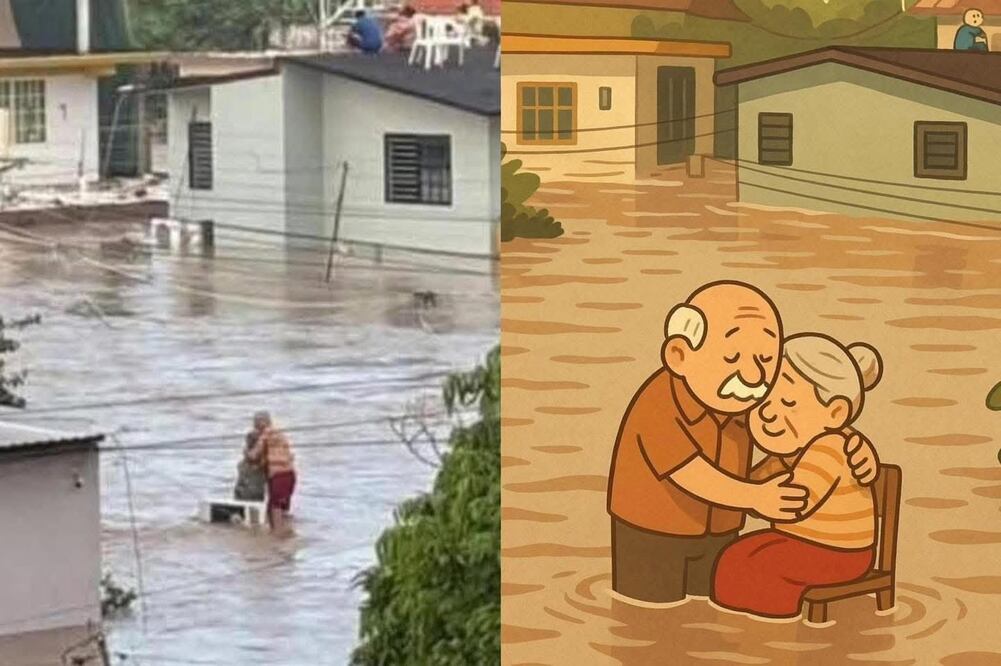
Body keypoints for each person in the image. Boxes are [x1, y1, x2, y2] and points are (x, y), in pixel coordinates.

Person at [606, 281, 880, 604]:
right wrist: (755, 496)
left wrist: (855, 446)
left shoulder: (747, 403)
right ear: (679, 355)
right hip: (654, 534)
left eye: (765, 359)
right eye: (733, 356)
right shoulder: (659, 404)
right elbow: (690, 473)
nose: (753, 376)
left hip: (719, 532)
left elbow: (802, 441)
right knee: (650, 616)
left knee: (715, 602)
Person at [712, 334, 882, 618]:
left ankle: (778, 624)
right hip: (800, 543)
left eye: (788, 401)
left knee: (759, 565)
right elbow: (757, 481)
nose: (768, 412)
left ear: (835, 412)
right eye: (767, 398)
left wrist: (759, 497)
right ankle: (746, 621)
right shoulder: (792, 451)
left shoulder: (831, 446)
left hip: (839, 552)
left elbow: (798, 499)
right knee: (734, 557)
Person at [246, 411, 297, 535]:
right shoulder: (281, 435)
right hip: (290, 474)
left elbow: (254, 455)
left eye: (256, 424)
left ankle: (277, 534)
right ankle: (285, 532)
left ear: (262, 423)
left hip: (279, 475)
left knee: (275, 506)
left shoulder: (267, 433)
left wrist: (247, 453)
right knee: (280, 506)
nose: (255, 427)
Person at [233, 430, 267, 502]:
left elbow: (253, 458)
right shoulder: (250, 457)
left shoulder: (260, 458)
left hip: (250, 491)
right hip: (246, 490)